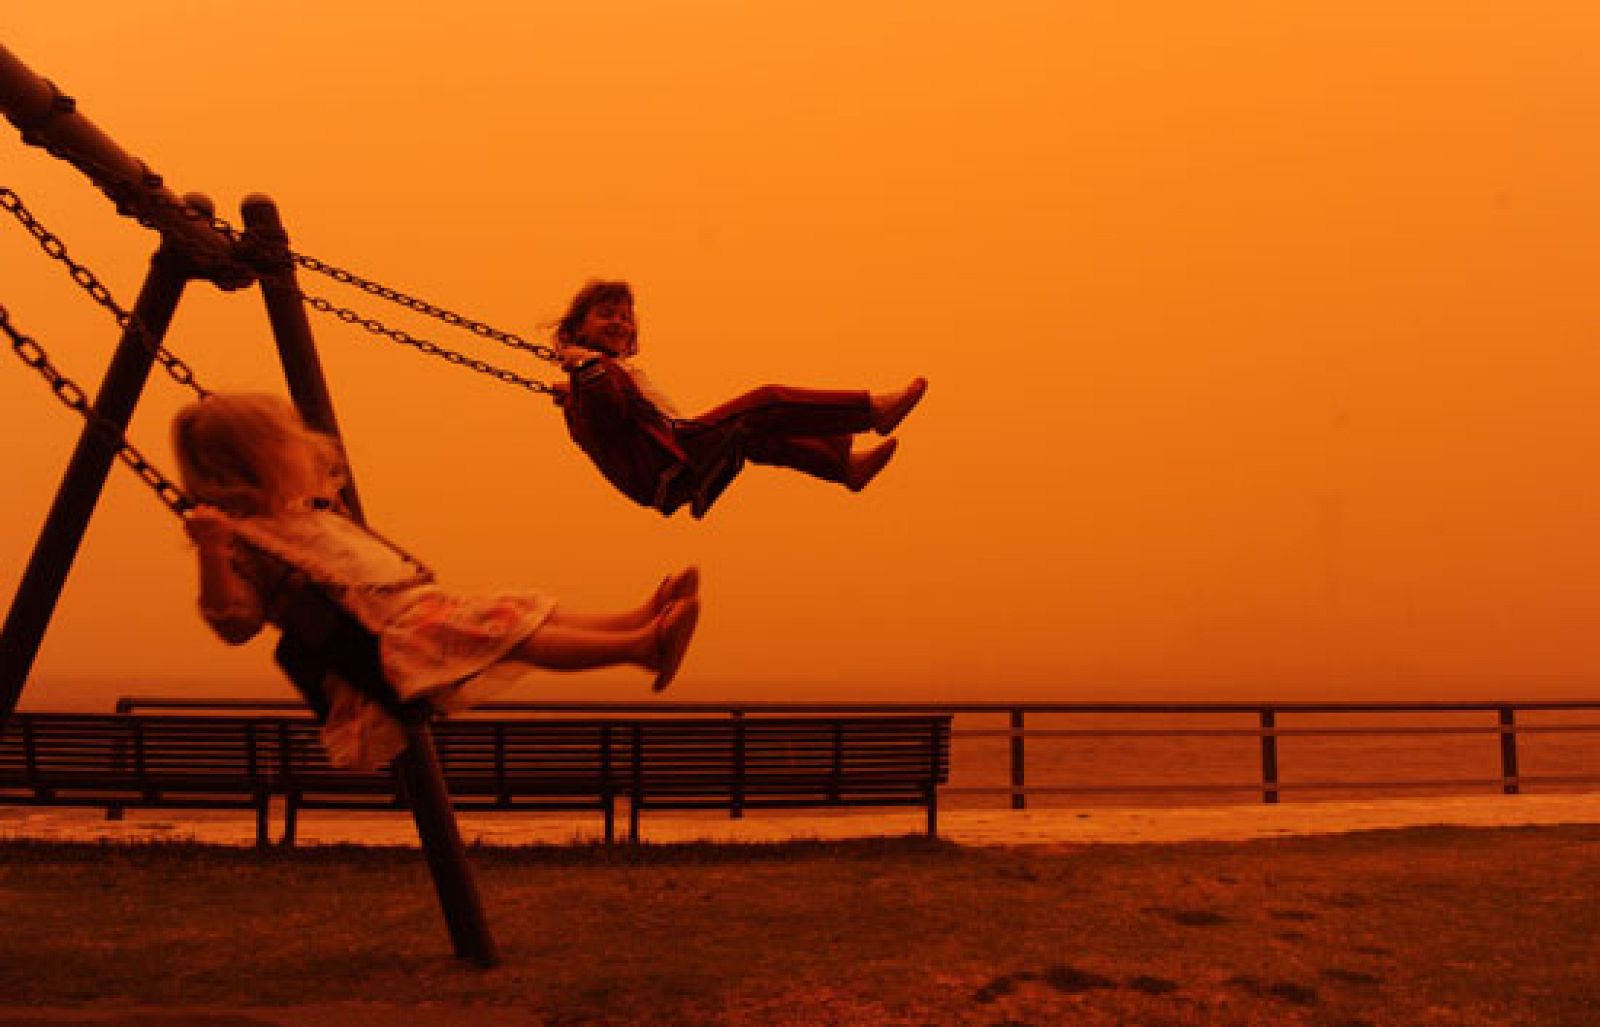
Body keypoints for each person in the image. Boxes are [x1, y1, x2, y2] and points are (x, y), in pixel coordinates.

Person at [172, 392, 701, 768]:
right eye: (288, 447)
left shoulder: (301, 513)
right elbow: (233, 622)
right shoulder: (241, 540)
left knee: (519, 609)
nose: (303, 453)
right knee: (514, 633)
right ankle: (641, 647)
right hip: (384, 647)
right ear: (254, 464)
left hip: (416, 613)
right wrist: (211, 550)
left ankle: (634, 620)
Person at [551, 280, 928, 518]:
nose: (619, 323)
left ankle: (843, 467)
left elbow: (614, 412)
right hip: (669, 461)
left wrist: (583, 379)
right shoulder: (592, 373)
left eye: (625, 316)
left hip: (673, 460)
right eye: (606, 315)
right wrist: (585, 371)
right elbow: (604, 416)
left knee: (755, 437)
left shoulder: (605, 373)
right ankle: (872, 411)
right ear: (577, 329)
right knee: (768, 401)